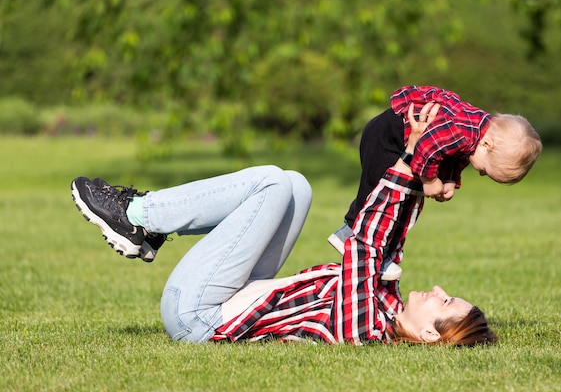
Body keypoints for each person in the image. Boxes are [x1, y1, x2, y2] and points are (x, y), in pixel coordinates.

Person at [70, 104, 497, 346]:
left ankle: (138, 216)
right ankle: (151, 226)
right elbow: (393, 236)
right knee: (296, 187)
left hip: (197, 317)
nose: (439, 291)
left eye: (445, 303)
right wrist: (420, 168)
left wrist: (407, 160)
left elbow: (367, 243)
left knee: (273, 182)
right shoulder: (386, 300)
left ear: (427, 334)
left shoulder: (366, 326)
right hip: (232, 294)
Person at [329, 85, 543, 280]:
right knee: (380, 192)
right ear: (487, 144)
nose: (480, 174)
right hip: (386, 138)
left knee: (404, 202)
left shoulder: (475, 133)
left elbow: (454, 154)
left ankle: (382, 250)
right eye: (485, 171)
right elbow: (428, 148)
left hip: (401, 142)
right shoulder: (463, 130)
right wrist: (430, 180)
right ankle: (351, 233)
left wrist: (450, 180)